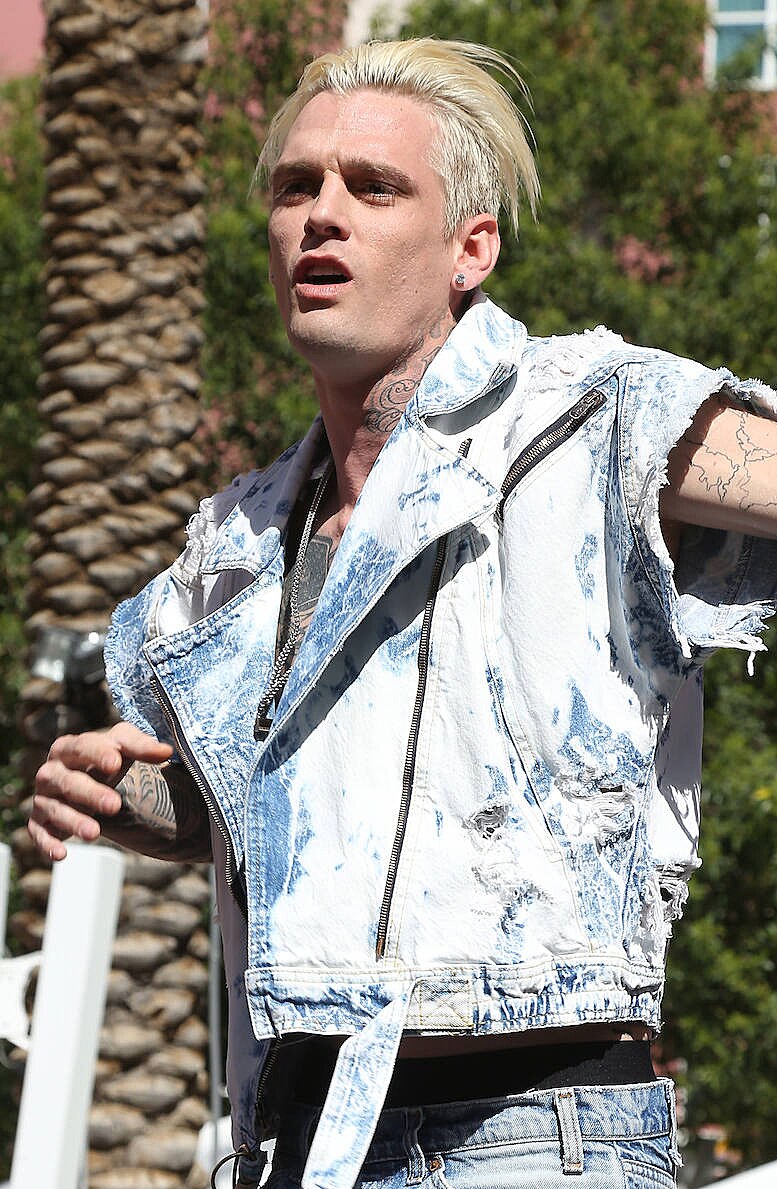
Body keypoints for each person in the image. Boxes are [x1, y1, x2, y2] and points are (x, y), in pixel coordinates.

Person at [30, 37, 777, 1189]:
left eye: (374, 187)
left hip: (534, 1133)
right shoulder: (235, 544)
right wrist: (119, 795)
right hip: (298, 1138)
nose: (321, 216)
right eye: (297, 186)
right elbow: (264, 809)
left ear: (471, 247)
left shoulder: (591, 421)